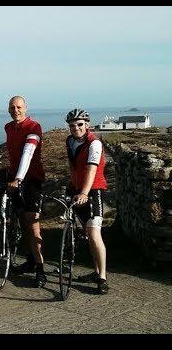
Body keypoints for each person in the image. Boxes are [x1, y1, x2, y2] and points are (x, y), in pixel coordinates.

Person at [5, 95, 47, 288]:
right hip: (15, 179)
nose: (16, 110)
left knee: (33, 225)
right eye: (12, 107)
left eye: (19, 107)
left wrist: (19, 178)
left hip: (32, 180)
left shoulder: (34, 127)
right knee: (21, 221)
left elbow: (27, 153)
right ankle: (30, 261)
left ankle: (40, 269)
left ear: (25, 108)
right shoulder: (8, 128)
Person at [65, 108, 108, 295]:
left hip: (93, 191)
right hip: (76, 190)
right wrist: (71, 184)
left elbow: (92, 169)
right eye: (72, 125)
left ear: (87, 125)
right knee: (88, 235)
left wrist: (84, 192)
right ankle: (96, 271)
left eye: (80, 124)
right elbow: (72, 164)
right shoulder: (70, 141)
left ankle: (102, 278)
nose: (76, 128)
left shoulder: (94, 144)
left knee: (94, 234)